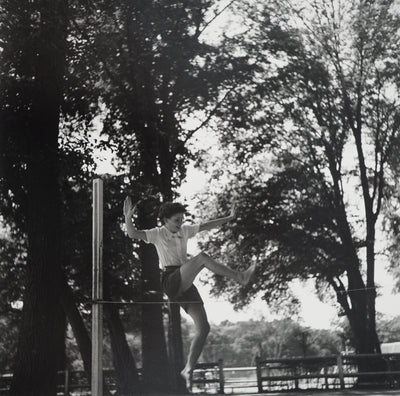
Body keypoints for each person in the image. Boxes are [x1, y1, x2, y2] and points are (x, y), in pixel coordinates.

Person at [123, 197, 257, 389]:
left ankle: (188, 369)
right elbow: (132, 233)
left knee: (204, 327)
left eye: (181, 219)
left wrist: (229, 216)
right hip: (170, 280)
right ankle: (240, 277)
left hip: (185, 281)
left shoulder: (185, 230)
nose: (180, 223)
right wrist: (128, 216)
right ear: (165, 220)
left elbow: (207, 225)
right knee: (202, 257)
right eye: (176, 220)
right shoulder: (157, 234)